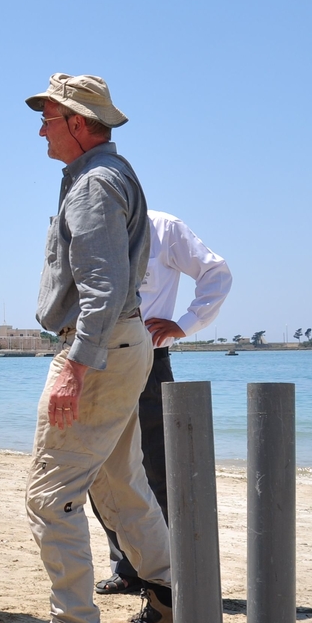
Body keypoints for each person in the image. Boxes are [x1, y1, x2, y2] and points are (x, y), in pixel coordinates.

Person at [3, 73, 172, 623]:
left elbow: (103, 287)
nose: (41, 130)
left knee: (50, 496)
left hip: (97, 348)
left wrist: (76, 365)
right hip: (122, 344)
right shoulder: (105, 174)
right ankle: (172, 602)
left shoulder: (94, 184)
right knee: (120, 483)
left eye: (48, 119)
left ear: (77, 122)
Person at [95, 210, 230, 596]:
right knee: (101, 470)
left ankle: (165, 573)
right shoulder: (89, 224)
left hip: (149, 359)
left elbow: (216, 272)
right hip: (95, 360)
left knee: (156, 467)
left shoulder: (163, 227)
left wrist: (186, 324)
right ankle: (127, 566)